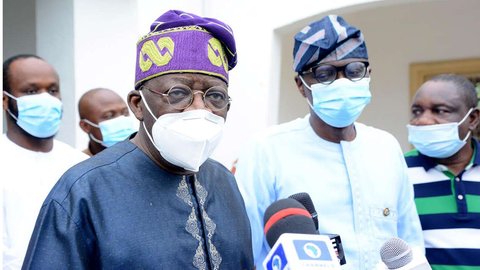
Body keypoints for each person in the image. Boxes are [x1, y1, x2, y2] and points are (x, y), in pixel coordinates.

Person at [22, 10, 254, 269]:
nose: (199, 109)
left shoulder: (226, 183)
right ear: (138, 105)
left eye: (216, 96)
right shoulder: (84, 191)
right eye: (178, 93)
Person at [234, 15, 424, 269]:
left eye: (354, 70)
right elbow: (250, 251)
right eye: (324, 74)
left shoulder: (386, 147)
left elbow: (410, 243)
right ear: (301, 86)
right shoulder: (266, 150)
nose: (342, 82)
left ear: (368, 74)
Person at [1, 54, 89, 269]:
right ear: (5, 100)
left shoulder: (79, 164)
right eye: (31, 91)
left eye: (52, 90)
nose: (46, 98)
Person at [405, 74, 480, 269]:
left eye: (440, 111)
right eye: (417, 111)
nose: (424, 120)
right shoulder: (399, 171)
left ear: (472, 118)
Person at [78, 87, 136, 156]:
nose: (120, 119)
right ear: (85, 126)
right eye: (109, 116)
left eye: (125, 113)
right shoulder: (77, 163)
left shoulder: (146, 157)